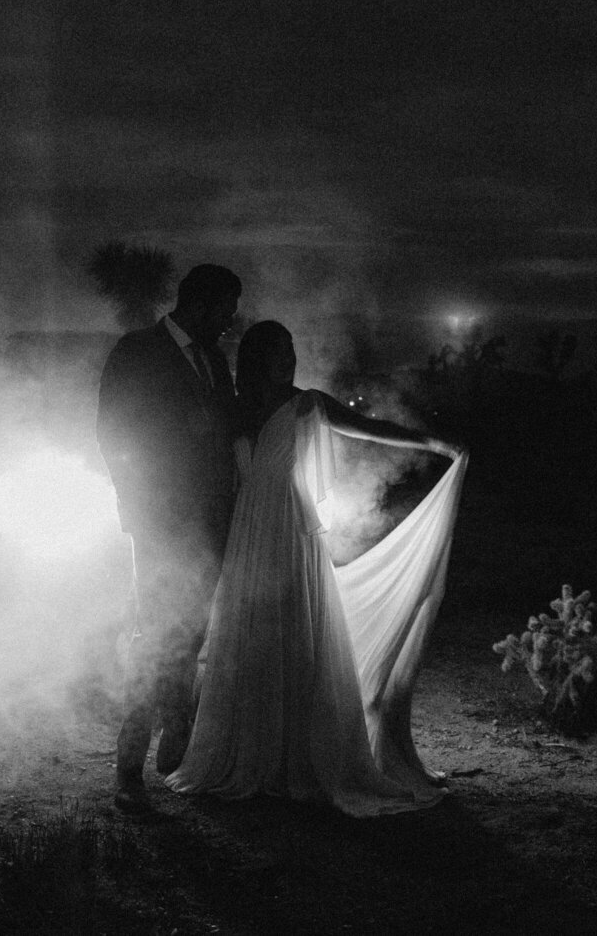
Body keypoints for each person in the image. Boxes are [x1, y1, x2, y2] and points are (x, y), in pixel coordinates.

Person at [167, 320, 467, 817]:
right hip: (249, 532)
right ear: (260, 358)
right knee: (254, 634)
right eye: (280, 351)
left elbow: (373, 429)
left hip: (292, 528)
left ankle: (299, 758)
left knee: (297, 631)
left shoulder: (308, 403)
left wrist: (435, 444)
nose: (290, 358)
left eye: (291, 349)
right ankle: (257, 756)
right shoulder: (234, 409)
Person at [96, 264, 242, 814]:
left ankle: (177, 733)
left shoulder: (215, 360)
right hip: (159, 522)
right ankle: (129, 767)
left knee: (192, 633)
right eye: (225, 312)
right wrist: (134, 506)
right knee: (154, 636)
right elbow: (114, 432)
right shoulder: (137, 351)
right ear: (200, 306)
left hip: (210, 522)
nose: (228, 324)